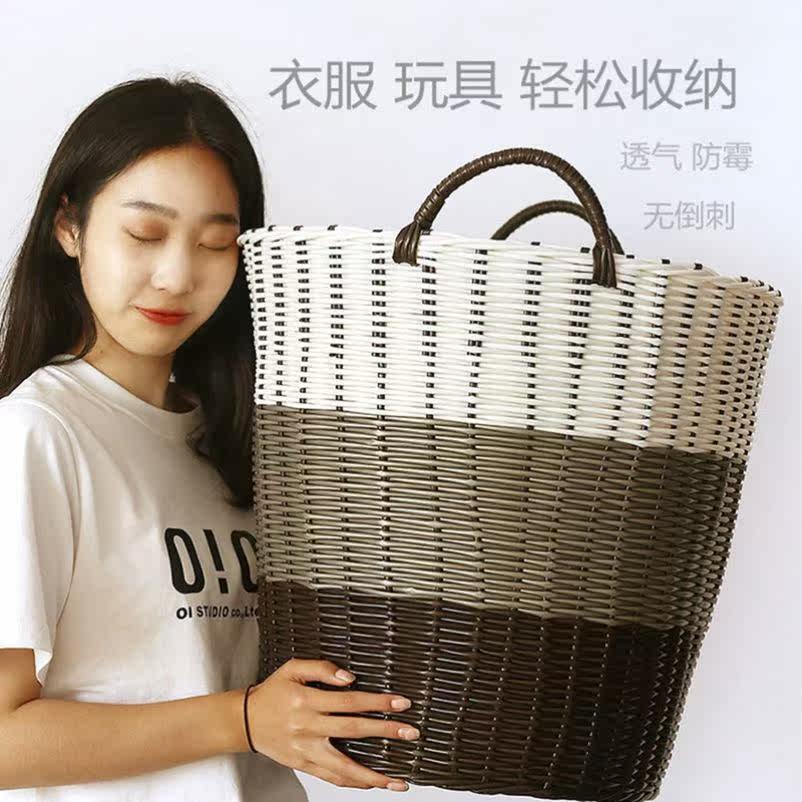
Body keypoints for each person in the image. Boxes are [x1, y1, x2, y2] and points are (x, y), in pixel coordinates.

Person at [0, 74, 417, 799]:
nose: (176, 275)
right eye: (144, 234)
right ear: (69, 227)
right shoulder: (38, 435)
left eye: (216, 243)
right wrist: (244, 719)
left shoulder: (237, 439)